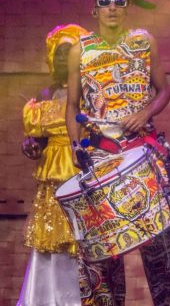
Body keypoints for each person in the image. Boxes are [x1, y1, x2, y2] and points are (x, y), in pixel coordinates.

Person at [65, 0, 170, 306]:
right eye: (105, 2)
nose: (112, 7)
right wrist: (76, 146)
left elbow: (164, 91)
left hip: (144, 152)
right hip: (102, 156)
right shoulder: (81, 50)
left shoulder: (143, 41)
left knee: (164, 240)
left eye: (119, 2)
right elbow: (72, 106)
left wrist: (145, 113)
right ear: (95, 8)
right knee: (104, 248)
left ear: (127, 7)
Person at [18, 24, 88, 306]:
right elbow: (37, 139)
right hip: (51, 182)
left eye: (68, 51)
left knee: (78, 240)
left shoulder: (89, 92)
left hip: (80, 174)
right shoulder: (45, 94)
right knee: (50, 240)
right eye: (58, 52)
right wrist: (30, 145)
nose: (62, 57)